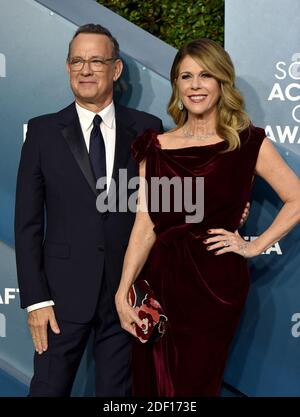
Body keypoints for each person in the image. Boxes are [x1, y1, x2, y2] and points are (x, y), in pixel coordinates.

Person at [115, 38, 300, 396]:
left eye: (205, 75)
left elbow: (296, 198)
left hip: (214, 285)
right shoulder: (155, 147)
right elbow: (145, 224)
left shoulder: (247, 143)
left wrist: (254, 245)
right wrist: (123, 290)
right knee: (150, 384)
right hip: (159, 282)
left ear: (221, 82)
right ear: (176, 85)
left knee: (194, 385)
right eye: (186, 76)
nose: (196, 85)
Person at [14, 23, 163, 397]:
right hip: (59, 300)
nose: (85, 70)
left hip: (125, 294)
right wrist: (36, 299)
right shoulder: (42, 132)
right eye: (77, 61)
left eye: (96, 61)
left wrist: (228, 212)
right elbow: (27, 224)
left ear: (115, 70)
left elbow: (163, 204)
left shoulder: (147, 130)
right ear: (67, 68)